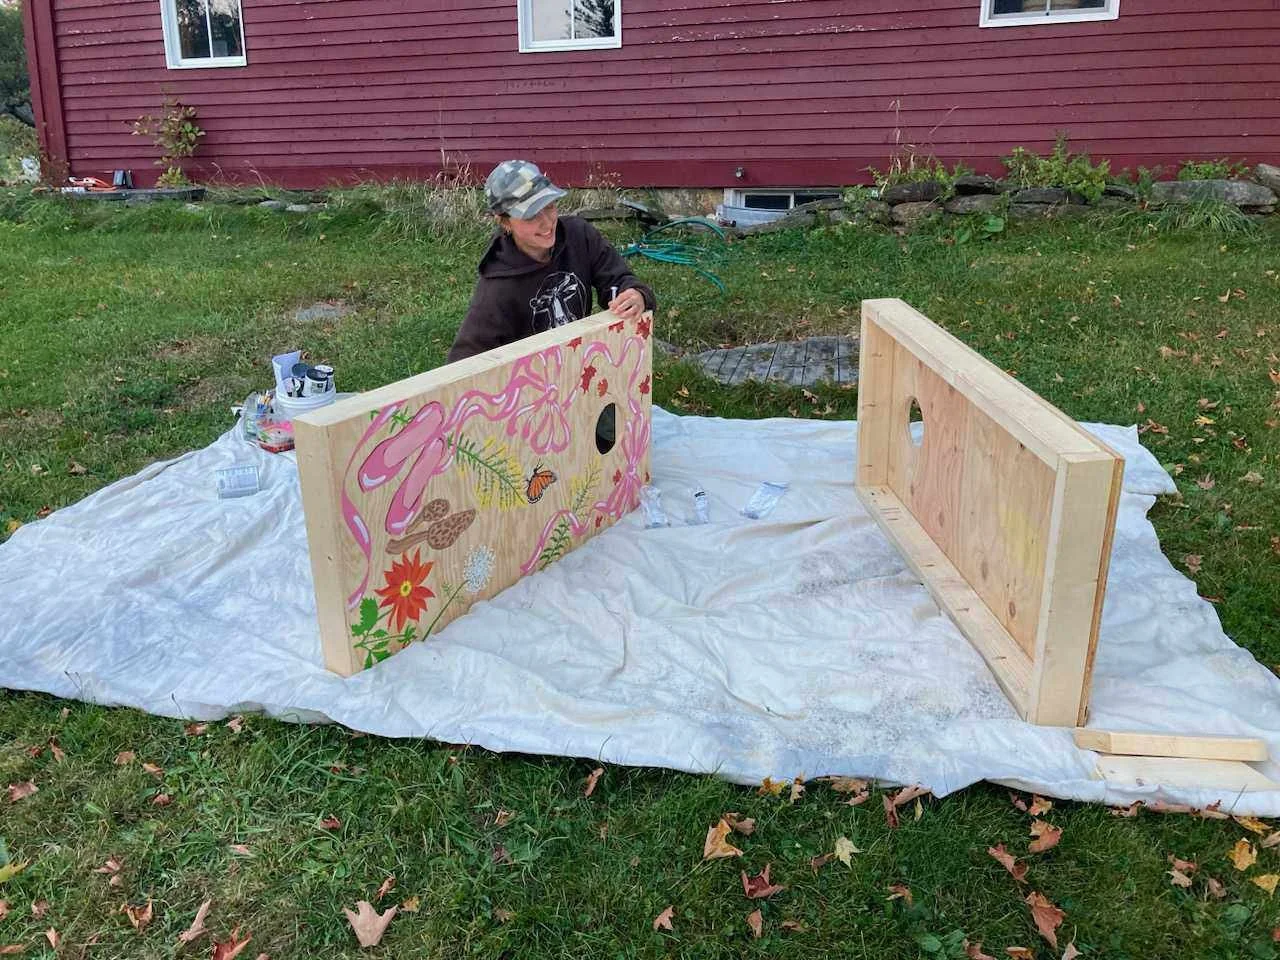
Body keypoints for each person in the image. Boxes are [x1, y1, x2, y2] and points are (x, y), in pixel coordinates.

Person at [446, 160, 657, 363]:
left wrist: (634, 294)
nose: (547, 223)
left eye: (549, 206)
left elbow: (618, 279)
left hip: (581, 363)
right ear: (505, 221)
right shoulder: (495, 290)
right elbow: (463, 364)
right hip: (531, 386)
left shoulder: (579, 236)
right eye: (530, 216)